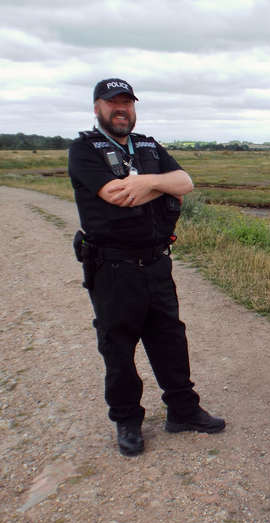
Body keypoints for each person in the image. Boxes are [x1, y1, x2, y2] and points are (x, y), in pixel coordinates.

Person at [68, 78, 225, 457]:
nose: (121, 109)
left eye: (127, 102)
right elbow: (116, 195)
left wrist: (148, 181)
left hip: (156, 262)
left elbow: (185, 182)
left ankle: (183, 410)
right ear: (97, 108)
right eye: (112, 103)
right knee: (118, 346)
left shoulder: (150, 147)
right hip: (112, 268)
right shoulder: (84, 150)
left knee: (170, 338)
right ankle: (127, 421)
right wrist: (158, 186)